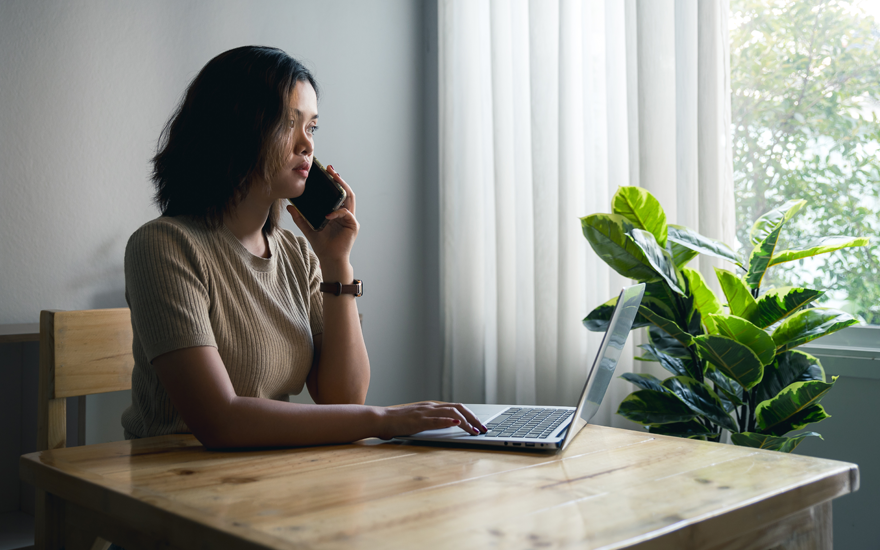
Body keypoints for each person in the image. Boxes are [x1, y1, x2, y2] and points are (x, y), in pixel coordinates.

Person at [121, 45, 486, 448]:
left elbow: (343, 399)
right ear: (234, 128)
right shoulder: (164, 246)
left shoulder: (296, 256)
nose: (306, 146)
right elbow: (219, 421)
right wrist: (384, 420)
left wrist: (336, 264)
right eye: (287, 123)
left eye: (311, 128)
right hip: (174, 481)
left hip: (273, 473)